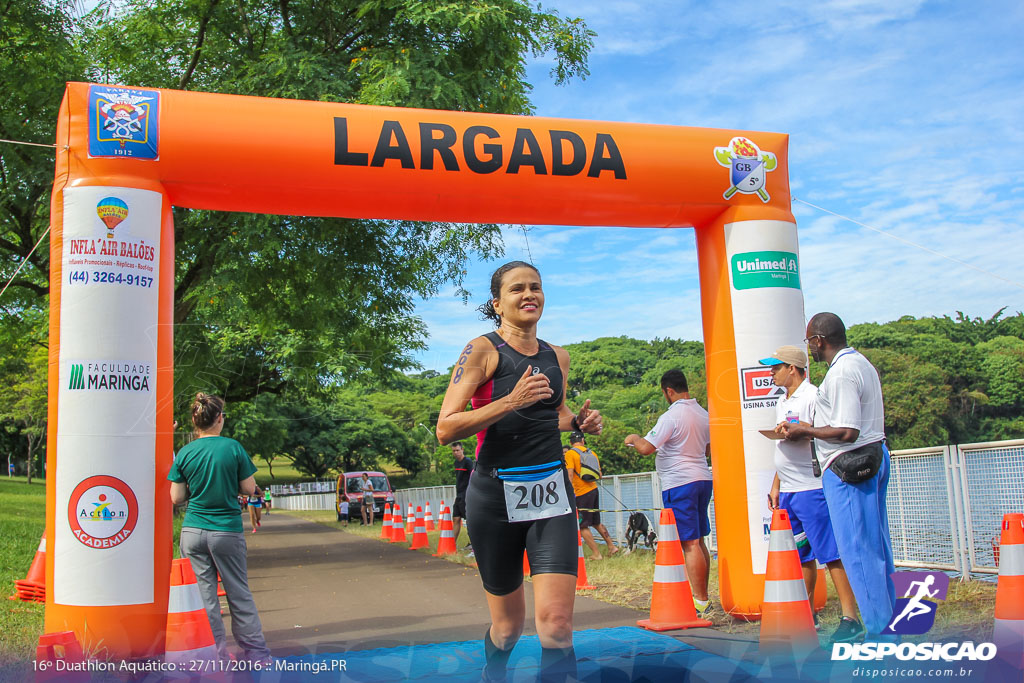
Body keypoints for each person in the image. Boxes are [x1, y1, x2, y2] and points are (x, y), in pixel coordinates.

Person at [436, 261, 603, 682]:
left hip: (551, 493)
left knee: (557, 627)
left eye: (536, 287)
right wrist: (510, 400)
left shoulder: (556, 356)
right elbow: (446, 427)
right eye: (517, 289)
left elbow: (555, 414)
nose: (529, 295)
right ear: (497, 303)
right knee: (508, 628)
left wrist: (580, 422)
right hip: (494, 498)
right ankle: (494, 674)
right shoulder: (481, 350)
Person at [780, 312, 896, 641]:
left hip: (849, 467)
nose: (810, 349)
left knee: (858, 553)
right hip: (873, 456)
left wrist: (806, 429)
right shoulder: (861, 363)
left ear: (819, 340)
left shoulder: (842, 372)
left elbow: (847, 430)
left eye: (810, 341)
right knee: (877, 550)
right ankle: (887, 627)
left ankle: (880, 636)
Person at [760, 345, 860, 638]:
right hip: (790, 488)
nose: (771, 373)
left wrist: (801, 431)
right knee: (801, 554)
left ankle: (850, 618)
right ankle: (807, 615)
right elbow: (785, 445)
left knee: (831, 554)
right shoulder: (783, 400)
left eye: (775, 367)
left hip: (811, 487)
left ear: (792, 368)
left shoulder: (813, 395)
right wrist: (776, 484)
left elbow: (827, 434)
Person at [167, 393, 272, 663]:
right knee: (238, 592)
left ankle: (215, 655)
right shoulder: (233, 448)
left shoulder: (186, 452)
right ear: (219, 419)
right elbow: (249, 489)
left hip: (193, 531)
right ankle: (256, 654)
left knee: (204, 597)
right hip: (226, 529)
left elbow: (176, 498)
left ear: (195, 420)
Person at [624, 369, 713, 616]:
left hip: (679, 482)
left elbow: (646, 447)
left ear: (668, 391)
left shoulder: (671, 417)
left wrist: (632, 437)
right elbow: (707, 450)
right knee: (699, 539)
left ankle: (700, 600)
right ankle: (703, 595)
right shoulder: (703, 413)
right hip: (703, 478)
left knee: (689, 542)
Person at [564, 431, 618, 560]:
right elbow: (599, 474)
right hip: (593, 489)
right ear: (583, 440)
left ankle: (596, 554)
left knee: (582, 525)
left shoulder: (570, 454)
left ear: (571, 442)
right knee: (596, 521)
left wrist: (568, 491)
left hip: (581, 493)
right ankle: (612, 546)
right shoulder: (591, 453)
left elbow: (569, 474)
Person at [451, 441, 475, 550]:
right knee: (456, 519)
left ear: (462, 450)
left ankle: (474, 544)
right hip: (459, 495)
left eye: (457, 450)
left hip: (466, 495)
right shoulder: (456, 463)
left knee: (469, 520)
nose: (456, 453)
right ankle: (451, 544)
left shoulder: (468, 462)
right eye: (454, 451)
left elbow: (473, 476)